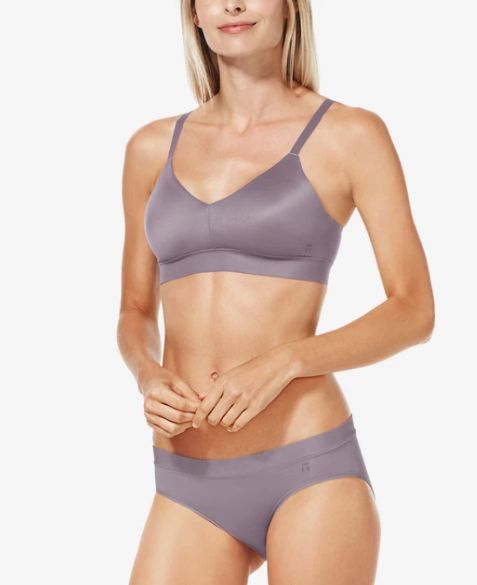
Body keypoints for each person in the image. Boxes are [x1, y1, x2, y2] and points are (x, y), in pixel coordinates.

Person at [117, 1, 434, 583]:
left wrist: (284, 362)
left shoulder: (350, 135)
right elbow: (135, 309)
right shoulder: (150, 147)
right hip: (188, 480)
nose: (233, 5)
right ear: (194, 14)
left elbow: (414, 310)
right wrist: (147, 374)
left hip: (308, 468)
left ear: (290, 7)